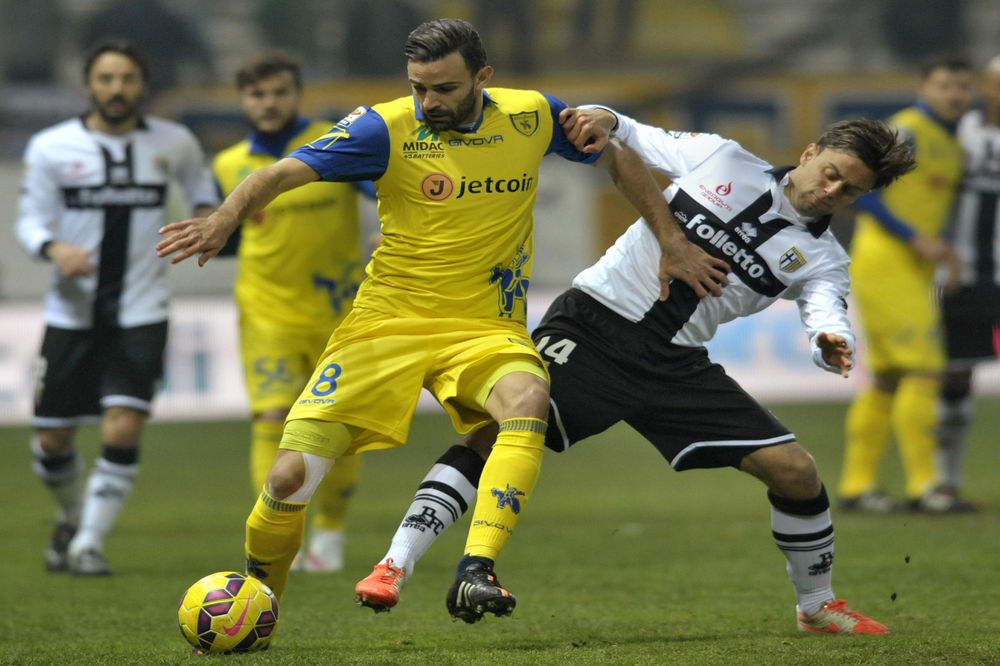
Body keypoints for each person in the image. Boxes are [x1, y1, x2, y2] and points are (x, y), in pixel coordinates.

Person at [156, 18, 728, 625]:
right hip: (386, 323)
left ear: (483, 78)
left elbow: (621, 160)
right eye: (418, 88)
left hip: (484, 325)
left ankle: (476, 569)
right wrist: (223, 218)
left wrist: (670, 240)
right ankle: (258, 604)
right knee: (289, 473)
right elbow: (281, 173)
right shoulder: (384, 127)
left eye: (444, 89)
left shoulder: (533, 115)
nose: (429, 102)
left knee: (529, 399)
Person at [353, 107, 916, 635]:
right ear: (812, 151)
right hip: (592, 328)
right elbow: (629, 134)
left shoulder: (823, 259)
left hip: (675, 366)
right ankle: (393, 566)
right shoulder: (721, 158)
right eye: (833, 173)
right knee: (496, 435)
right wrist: (606, 116)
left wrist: (828, 342)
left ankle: (816, 606)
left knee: (796, 472)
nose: (832, 192)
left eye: (851, 191)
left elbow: (826, 314)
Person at [15, 40, 218, 575]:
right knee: (52, 438)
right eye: (106, 78)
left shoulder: (174, 142)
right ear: (89, 85)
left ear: (142, 85)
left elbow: (203, 187)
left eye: (127, 78)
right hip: (71, 314)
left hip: (143, 308)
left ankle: (88, 545)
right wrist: (55, 248)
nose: (116, 88)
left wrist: (204, 218)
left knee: (123, 425)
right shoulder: (51, 147)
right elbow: (29, 220)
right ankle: (74, 518)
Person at [213, 51, 377, 572]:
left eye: (279, 92)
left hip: (339, 311)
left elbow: (386, 187)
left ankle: (329, 533)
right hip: (267, 313)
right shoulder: (227, 164)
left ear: (296, 94)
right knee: (272, 417)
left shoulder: (333, 142)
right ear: (243, 101)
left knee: (337, 426)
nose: (269, 103)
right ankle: (282, 533)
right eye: (257, 94)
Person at [838, 53, 977, 513]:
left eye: (961, 86)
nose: (954, 94)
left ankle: (857, 487)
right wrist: (917, 240)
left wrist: (944, 252)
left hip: (912, 267)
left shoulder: (952, 142)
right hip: (885, 262)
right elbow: (863, 195)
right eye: (944, 85)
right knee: (926, 369)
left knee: (889, 379)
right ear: (924, 89)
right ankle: (927, 487)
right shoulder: (907, 130)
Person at [936, 55, 1000, 503]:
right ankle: (945, 480)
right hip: (967, 273)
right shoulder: (960, 135)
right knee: (956, 375)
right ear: (987, 87)